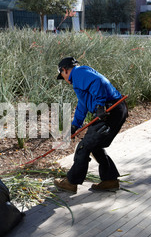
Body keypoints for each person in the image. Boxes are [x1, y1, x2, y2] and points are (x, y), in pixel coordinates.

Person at [54, 57, 128, 193]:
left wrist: (100, 105)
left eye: (62, 75)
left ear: (64, 70)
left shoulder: (78, 72)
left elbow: (98, 81)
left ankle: (71, 183)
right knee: (95, 146)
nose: (64, 79)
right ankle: (110, 180)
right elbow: (83, 104)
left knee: (84, 147)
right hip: (114, 111)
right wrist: (75, 125)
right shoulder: (80, 78)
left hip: (109, 111)